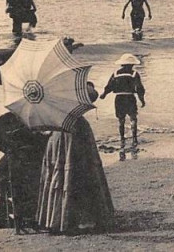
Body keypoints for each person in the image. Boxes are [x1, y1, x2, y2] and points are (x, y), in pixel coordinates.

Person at [36, 83, 114, 234]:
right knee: (77, 175)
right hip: (70, 133)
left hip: (59, 133)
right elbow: (92, 94)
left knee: (62, 177)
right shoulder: (74, 95)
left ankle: (58, 219)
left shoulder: (53, 98)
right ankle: (77, 219)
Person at [0, 112, 48, 230]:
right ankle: (36, 215)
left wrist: (14, 149)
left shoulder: (3, 119)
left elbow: (0, 144)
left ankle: (8, 215)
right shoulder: (38, 117)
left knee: (8, 182)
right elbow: (43, 144)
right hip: (33, 162)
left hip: (11, 162)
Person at [100, 53, 146, 151]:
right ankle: (134, 138)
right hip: (130, 97)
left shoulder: (116, 74)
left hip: (119, 98)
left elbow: (109, 86)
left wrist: (104, 94)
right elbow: (139, 88)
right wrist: (142, 99)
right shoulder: (134, 74)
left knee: (121, 120)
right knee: (133, 118)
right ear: (132, 65)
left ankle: (122, 138)